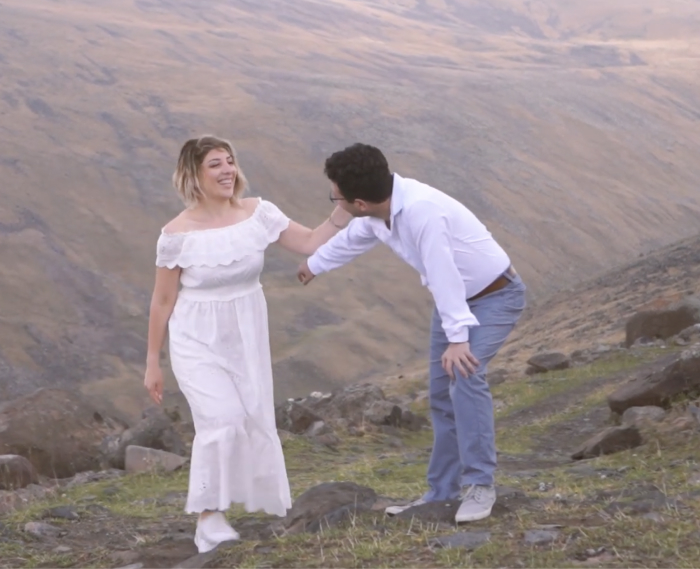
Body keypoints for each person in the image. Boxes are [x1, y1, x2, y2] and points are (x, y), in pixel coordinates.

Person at [297, 143, 526, 523]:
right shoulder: (380, 212)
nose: (336, 202)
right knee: (441, 396)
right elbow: (354, 238)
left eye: (336, 197)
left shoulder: (422, 212)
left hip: (495, 296)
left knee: (465, 376)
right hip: (455, 302)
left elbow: (443, 272)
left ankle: (480, 485)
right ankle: (441, 493)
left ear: (359, 202)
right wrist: (315, 264)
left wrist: (458, 340)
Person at [144, 135, 352, 553]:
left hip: (245, 332)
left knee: (248, 417)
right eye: (215, 164)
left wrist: (345, 207)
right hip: (195, 336)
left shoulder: (259, 213)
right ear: (193, 175)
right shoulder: (176, 234)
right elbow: (163, 300)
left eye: (229, 161)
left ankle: (230, 504)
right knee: (221, 419)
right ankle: (208, 517)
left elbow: (309, 242)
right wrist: (152, 361)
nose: (227, 170)